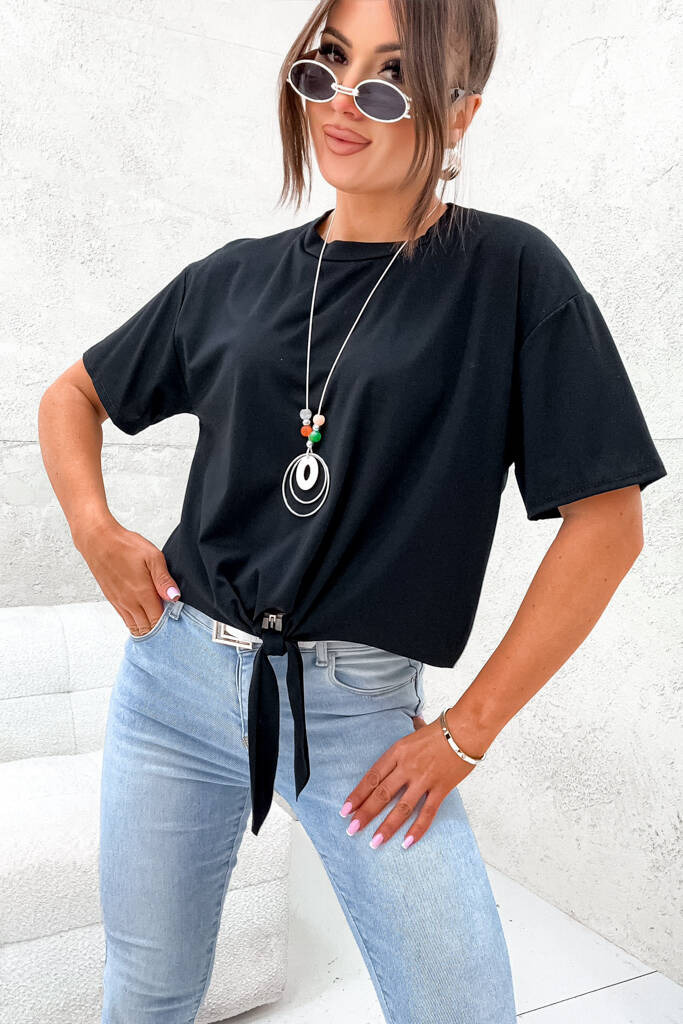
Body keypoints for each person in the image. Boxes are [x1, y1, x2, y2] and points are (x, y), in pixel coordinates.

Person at [38, 1, 667, 1022]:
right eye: (325, 65)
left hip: (354, 716)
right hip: (172, 681)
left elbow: (608, 523)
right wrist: (93, 528)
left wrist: (465, 733)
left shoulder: (508, 276)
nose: (342, 102)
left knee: (460, 1008)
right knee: (147, 991)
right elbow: (72, 395)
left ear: (457, 113)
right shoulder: (234, 276)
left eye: (388, 80)